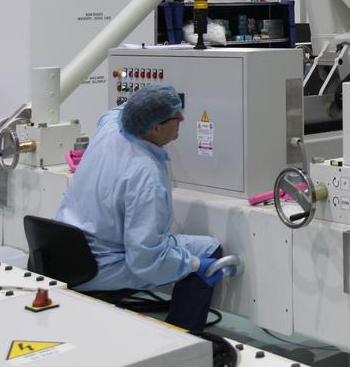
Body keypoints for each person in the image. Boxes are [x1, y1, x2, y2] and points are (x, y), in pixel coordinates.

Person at [56, 84, 225, 332]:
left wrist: (150, 98)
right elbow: (146, 260)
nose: (182, 119)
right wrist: (196, 265)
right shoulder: (147, 177)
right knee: (209, 253)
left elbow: (122, 109)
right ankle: (181, 339)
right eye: (176, 117)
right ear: (155, 127)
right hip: (97, 266)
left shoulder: (111, 127)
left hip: (63, 252)